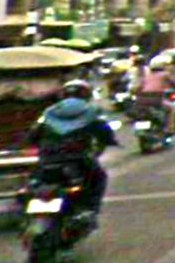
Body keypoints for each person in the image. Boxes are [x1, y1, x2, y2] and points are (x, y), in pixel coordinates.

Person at [27, 79, 118, 222]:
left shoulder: (49, 112)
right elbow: (104, 132)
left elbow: (33, 135)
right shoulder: (91, 111)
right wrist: (110, 141)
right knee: (99, 178)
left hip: (48, 158)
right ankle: (90, 209)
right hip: (77, 157)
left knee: (36, 181)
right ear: (86, 94)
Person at [138, 55, 175, 136]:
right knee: (174, 108)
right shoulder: (165, 74)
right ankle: (170, 129)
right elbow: (173, 84)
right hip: (156, 97)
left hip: (142, 98)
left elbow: (140, 87)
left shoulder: (147, 76)